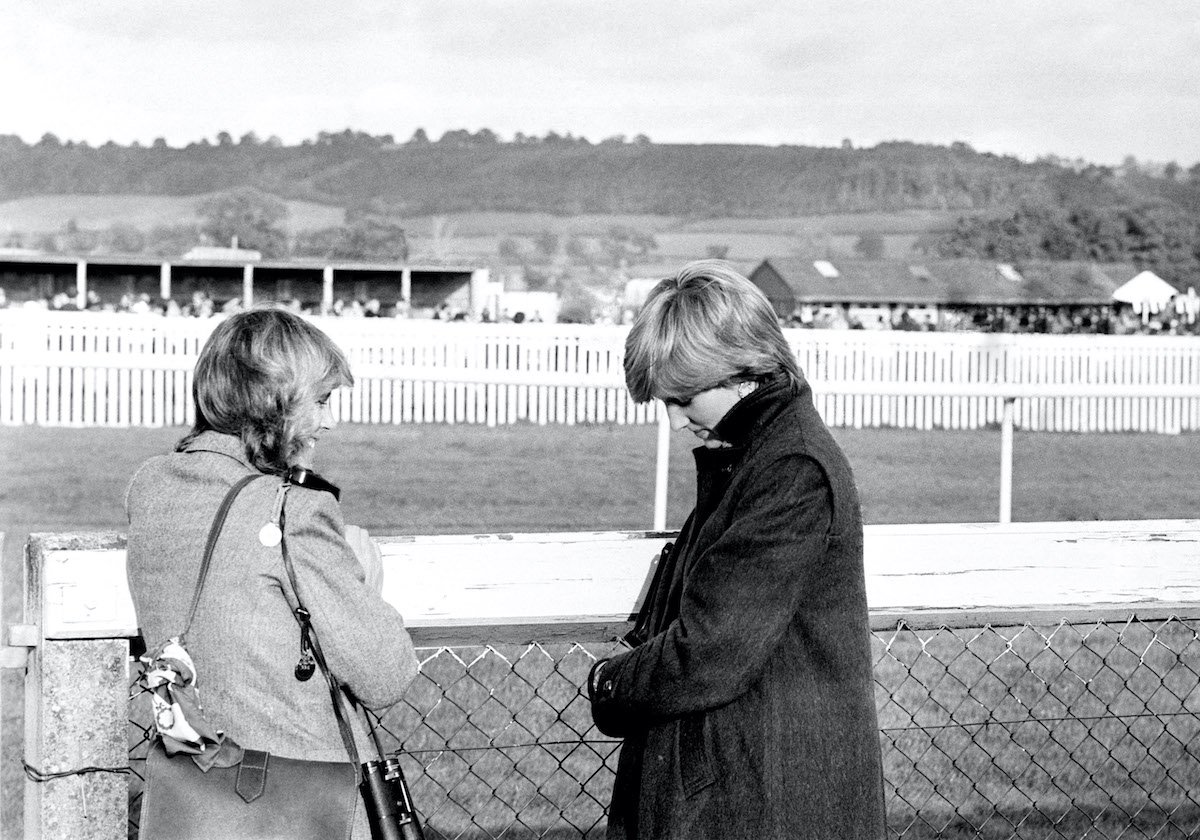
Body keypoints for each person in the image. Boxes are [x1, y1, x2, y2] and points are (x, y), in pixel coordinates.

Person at [589, 261, 886, 840]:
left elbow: (710, 651)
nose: (675, 423)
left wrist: (609, 685)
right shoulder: (757, 457)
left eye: (683, 398)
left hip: (768, 796)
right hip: (751, 784)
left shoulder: (789, 469)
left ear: (740, 370)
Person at [125, 306, 420, 839]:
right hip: (299, 800)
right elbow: (385, 675)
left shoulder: (152, 487)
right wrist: (364, 584)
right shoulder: (293, 511)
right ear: (274, 403)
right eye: (322, 401)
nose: (330, 422)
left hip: (191, 789)